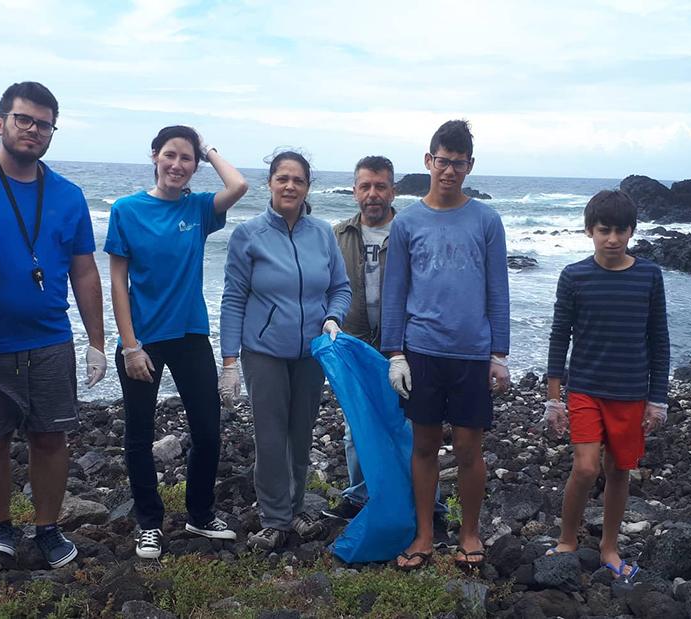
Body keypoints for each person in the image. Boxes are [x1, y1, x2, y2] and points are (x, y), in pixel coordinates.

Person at [0, 82, 106, 570]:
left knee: (51, 438)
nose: (34, 130)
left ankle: (48, 528)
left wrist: (97, 342)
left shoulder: (69, 195)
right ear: (0, 123)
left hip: (50, 338)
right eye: (24, 119)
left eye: (44, 124)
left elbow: (84, 270)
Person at [105, 125, 248, 559]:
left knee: (208, 431)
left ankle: (200, 514)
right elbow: (118, 281)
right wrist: (130, 346)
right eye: (170, 155)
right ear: (155, 156)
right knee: (139, 435)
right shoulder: (127, 210)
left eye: (186, 158)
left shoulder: (199, 208)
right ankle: (148, 523)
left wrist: (208, 148)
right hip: (143, 341)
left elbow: (238, 185)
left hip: (190, 335)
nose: (177, 165)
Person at [380, 120, 510, 571]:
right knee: (424, 445)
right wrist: (395, 352)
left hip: (472, 353)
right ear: (428, 161)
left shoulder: (487, 220)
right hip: (422, 350)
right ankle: (424, 535)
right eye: (442, 161)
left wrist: (499, 354)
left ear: (469, 166)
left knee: (470, 449)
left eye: (458, 163)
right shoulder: (407, 222)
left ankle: (470, 533)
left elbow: (498, 289)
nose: (449, 170)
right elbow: (395, 290)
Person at [220, 150, 352, 551]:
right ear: (270, 183)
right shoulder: (249, 235)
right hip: (264, 351)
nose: (290, 186)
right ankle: (274, 519)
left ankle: (295, 509)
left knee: (301, 434)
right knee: (271, 437)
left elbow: (340, 288)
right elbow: (233, 299)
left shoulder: (323, 233)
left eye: (298, 180)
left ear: (308, 187)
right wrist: (229, 361)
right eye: (283, 178)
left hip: (312, 351)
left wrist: (333, 318)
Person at [544, 189, 670, 582]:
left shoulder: (649, 275)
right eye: (604, 230)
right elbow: (559, 337)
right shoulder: (574, 276)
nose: (612, 239)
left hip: (631, 392)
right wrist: (554, 399)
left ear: (632, 231)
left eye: (620, 230)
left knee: (619, 470)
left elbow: (659, 339)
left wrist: (658, 399)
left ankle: (609, 548)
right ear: (589, 231)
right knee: (585, 468)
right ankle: (567, 539)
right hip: (585, 389)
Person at [325, 156, 447, 535]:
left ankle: (431, 504)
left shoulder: (412, 231)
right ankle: (360, 496)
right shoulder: (338, 235)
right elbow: (326, 287)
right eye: (365, 186)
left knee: (413, 427)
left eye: (380, 186)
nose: (373, 194)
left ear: (393, 191)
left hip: (408, 346)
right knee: (356, 427)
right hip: (355, 345)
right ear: (355, 191)